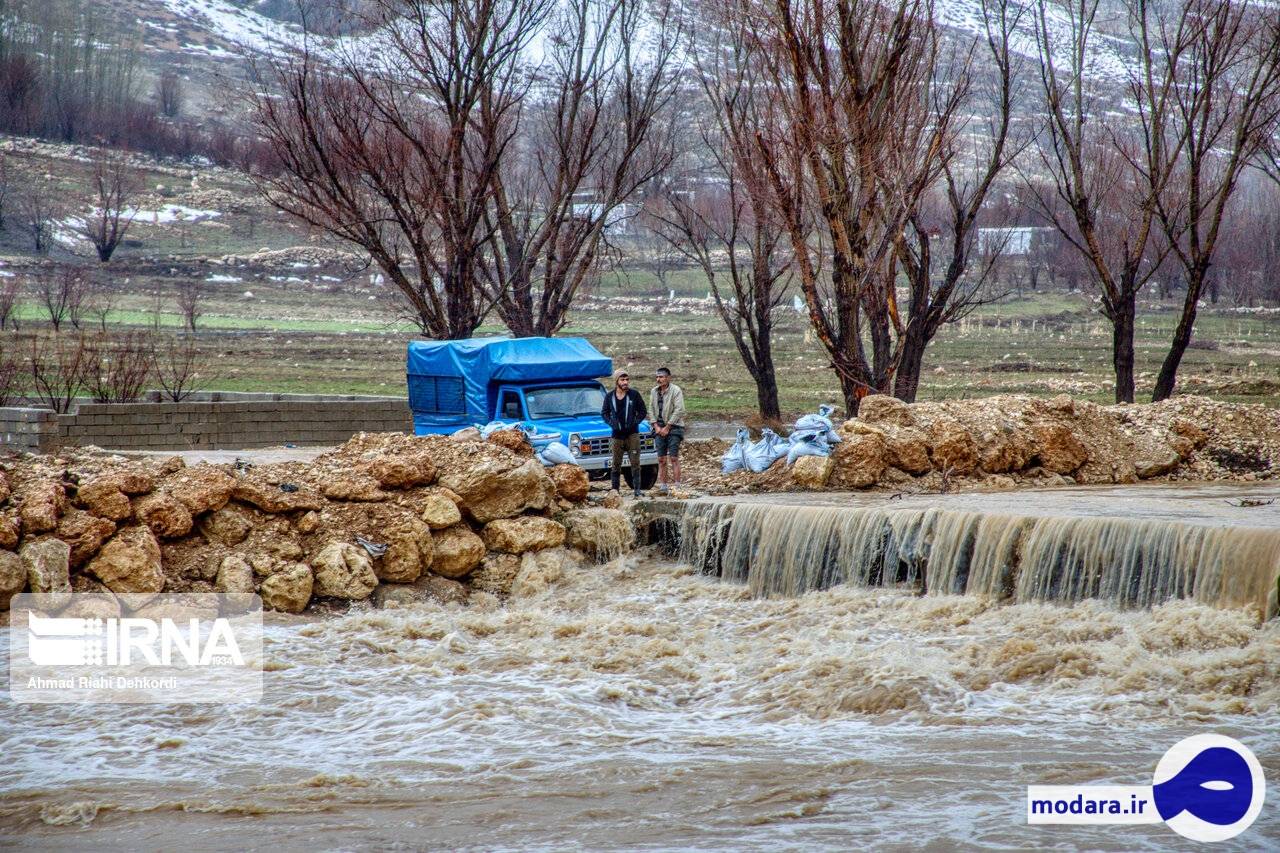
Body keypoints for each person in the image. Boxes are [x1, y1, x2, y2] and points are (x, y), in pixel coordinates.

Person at [600, 367, 647, 497]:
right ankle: (615, 491)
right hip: (617, 436)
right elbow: (604, 413)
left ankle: (637, 490)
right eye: (622, 379)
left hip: (632, 434)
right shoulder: (610, 396)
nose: (625, 382)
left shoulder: (634, 394)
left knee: (635, 463)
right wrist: (611, 423)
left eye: (627, 379)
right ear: (617, 381)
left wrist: (635, 422)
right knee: (615, 464)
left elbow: (643, 411)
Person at [649, 367, 686, 493]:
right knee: (661, 459)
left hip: (674, 427)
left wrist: (668, 427)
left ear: (668, 378)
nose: (659, 379)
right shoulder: (654, 391)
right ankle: (663, 486)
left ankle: (677, 485)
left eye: (662, 377)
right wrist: (656, 426)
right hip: (659, 428)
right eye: (657, 377)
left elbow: (679, 410)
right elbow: (651, 410)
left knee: (674, 457)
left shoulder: (676, 390)